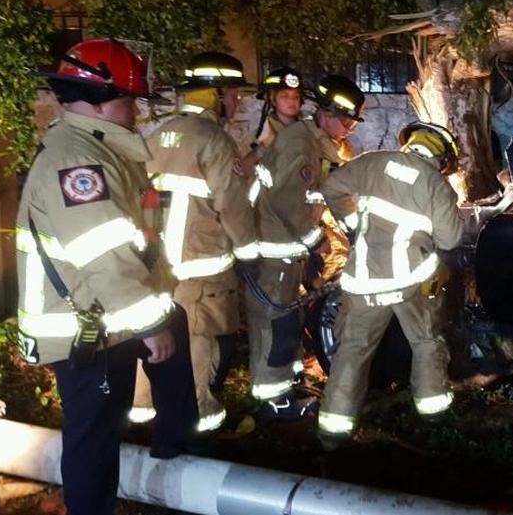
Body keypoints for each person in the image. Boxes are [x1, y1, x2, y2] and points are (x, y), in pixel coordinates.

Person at [15, 38, 197, 515]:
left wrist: (157, 312)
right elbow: (104, 254)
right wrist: (148, 323)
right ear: (97, 103)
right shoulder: (76, 161)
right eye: (129, 100)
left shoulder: (95, 149)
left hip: (102, 318)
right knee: (93, 441)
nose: (136, 110)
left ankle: (175, 445)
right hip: (85, 331)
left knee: (174, 321)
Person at [129, 51, 260, 434]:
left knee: (154, 337)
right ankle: (200, 420)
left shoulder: (159, 135)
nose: (237, 101)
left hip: (156, 264)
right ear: (215, 95)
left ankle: (141, 412)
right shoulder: (214, 140)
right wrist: (249, 253)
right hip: (200, 267)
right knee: (201, 339)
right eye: (233, 94)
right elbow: (232, 205)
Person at [315, 121, 463, 450]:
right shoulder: (436, 184)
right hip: (412, 282)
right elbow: (451, 240)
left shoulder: (373, 161)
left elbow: (331, 187)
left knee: (353, 349)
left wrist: (354, 226)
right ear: (442, 157)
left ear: (410, 142)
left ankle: (333, 430)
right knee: (426, 340)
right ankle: (433, 412)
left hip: (364, 280)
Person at [245, 74, 366, 419]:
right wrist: (318, 241)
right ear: (325, 114)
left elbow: (326, 193)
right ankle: (273, 400)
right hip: (275, 249)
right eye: (346, 122)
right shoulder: (300, 144)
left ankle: (290, 381)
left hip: (288, 248)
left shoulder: (316, 142)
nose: (348, 130)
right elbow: (287, 201)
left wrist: (355, 230)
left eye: (352, 124)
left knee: (289, 319)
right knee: (275, 323)